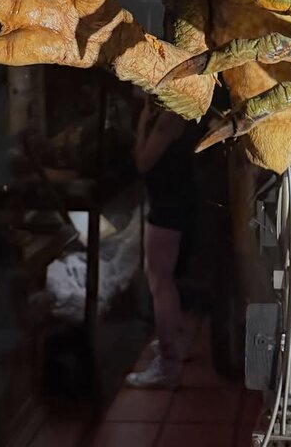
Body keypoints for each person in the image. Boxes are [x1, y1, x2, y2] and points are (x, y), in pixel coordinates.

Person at [126, 99, 200, 388]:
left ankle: (168, 364)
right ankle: (174, 342)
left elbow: (143, 161)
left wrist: (143, 119)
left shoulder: (169, 116)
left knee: (159, 281)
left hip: (169, 205)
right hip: (176, 201)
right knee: (162, 278)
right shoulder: (178, 108)